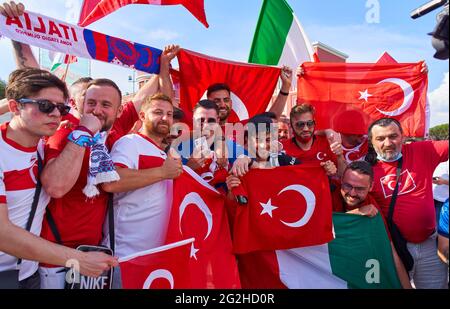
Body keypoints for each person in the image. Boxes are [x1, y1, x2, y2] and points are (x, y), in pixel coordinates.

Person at [0, 68, 117, 289]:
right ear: (15, 107)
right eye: (46, 106)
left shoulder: (43, 146)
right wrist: (78, 259)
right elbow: (3, 233)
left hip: (29, 273)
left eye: (61, 107)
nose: (56, 114)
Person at [101, 93, 183, 288]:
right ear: (142, 116)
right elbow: (111, 182)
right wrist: (163, 172)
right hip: (126, 256)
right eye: (158, 112)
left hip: (155, 258)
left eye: (169, 114)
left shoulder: (165, 152)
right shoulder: (129, 143)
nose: (165, 118)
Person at [367, 117, 448, 289]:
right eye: (380, 138)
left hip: (429, 246)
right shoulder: (365, 170)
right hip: (394, 250)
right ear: (372, 142)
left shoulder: (422, 150)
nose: (388, 143)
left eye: (393, 136)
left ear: (403, 136)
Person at [331, 161, 412, 288]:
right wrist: (356, 213)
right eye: (347, 186)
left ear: (371, 187)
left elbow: (390, 251)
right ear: (341, 180)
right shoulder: (329, 193)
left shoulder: (372, 207)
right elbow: (315, 228)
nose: (352, 193)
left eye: (360, 189)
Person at [175, 100, 246, 188]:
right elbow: (170, 181)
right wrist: (189, 167)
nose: (205, 125)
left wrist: (244, 159)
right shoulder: (180, 145)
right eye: (200, 120)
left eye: (211, 121)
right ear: (193, 120)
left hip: (219, 199)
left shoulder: (228, 145)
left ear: (218, 121)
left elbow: (255, 162)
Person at [207, 65, 293, 128]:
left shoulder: (241, 129)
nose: (222, 104)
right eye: (216, 101)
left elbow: (272, 118)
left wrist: (286, 86)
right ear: (207, 103)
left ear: (231, 102)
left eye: (226, 100)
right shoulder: (198, 133)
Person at [281, 103, 346, 177]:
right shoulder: (281, 147)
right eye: (300, 124)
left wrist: (339, 156)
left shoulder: (327, 143)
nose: (306, 129)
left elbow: (343, 176)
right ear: (291, 125)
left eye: (310, 123)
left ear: (314, 123)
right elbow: (266, 171)